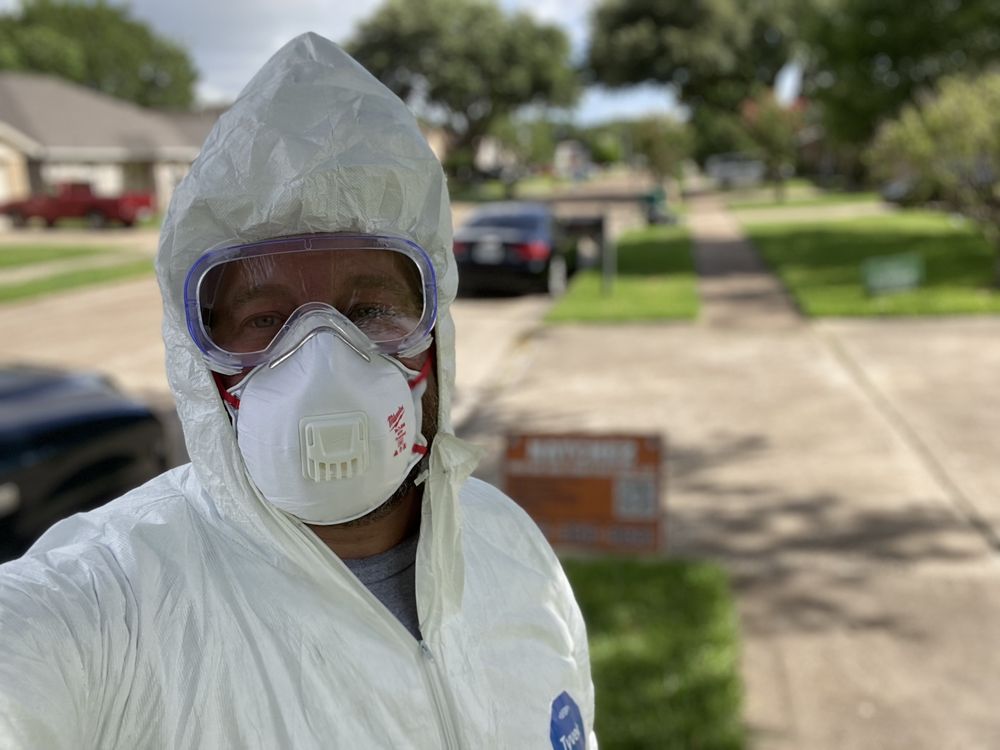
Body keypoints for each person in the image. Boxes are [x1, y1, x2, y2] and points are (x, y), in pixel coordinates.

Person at [0, 33, 596, 748]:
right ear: (201, 365)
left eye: (370, 309)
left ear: (437, 335)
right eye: (263, 319)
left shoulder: (513, 550)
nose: (321, 359)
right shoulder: (111, 606)